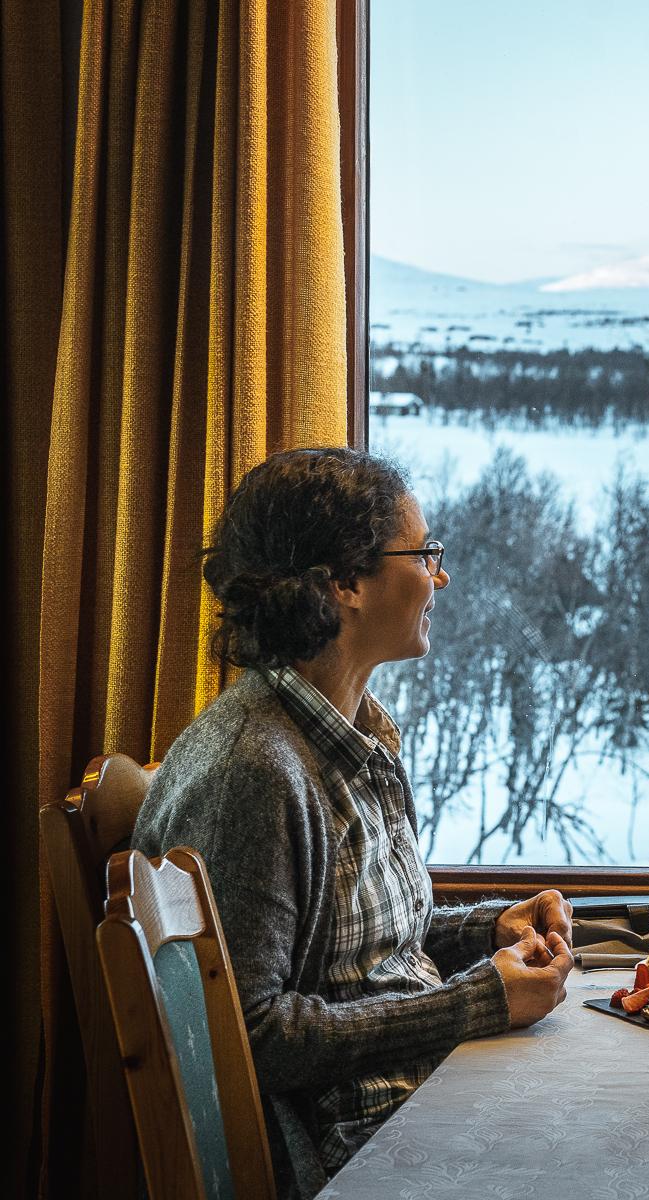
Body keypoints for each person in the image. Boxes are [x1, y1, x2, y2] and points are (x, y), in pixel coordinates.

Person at [134, 448, 576, 1199]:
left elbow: (363, 955)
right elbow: (254, 1035)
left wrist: (487, 931)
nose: (440, 576)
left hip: (416, 1093)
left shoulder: (354, 734)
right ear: (344, 583)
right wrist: (479, 1002)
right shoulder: (255, 771)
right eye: (425, 553)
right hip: (362, 1146)